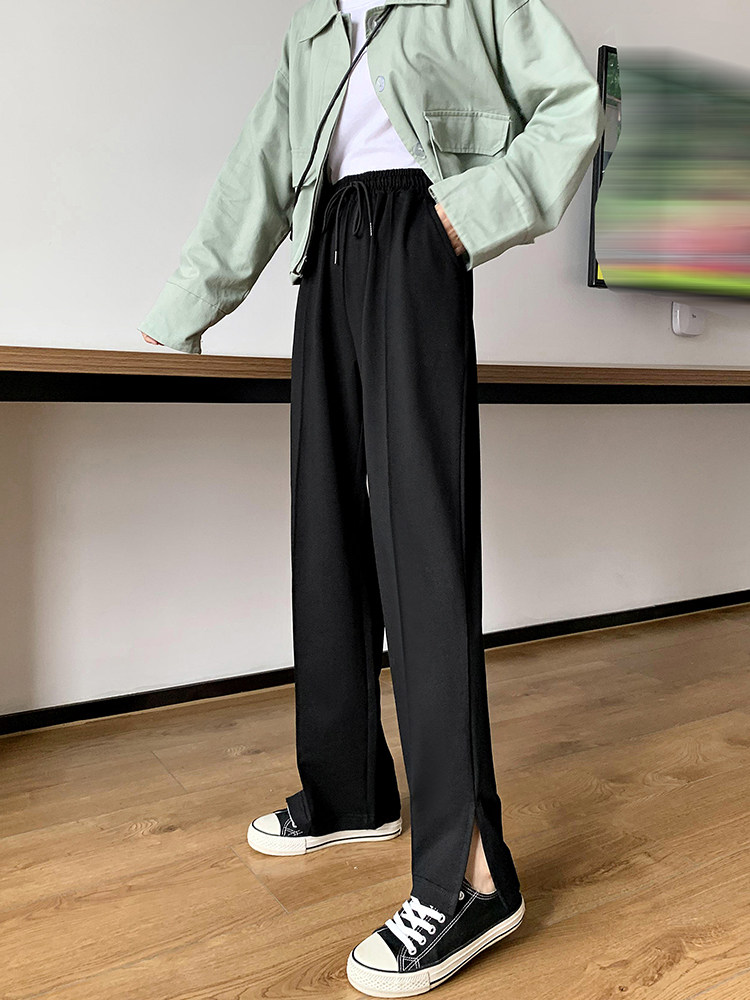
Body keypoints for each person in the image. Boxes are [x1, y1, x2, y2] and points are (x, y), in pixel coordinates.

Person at [138, 0, 604, 993]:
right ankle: (350, 789)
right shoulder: (313, 24)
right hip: (327, 252)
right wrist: (189, 299)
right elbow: (262, 165)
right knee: (326, 533)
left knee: (420, 543)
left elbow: (573, 103)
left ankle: (469, 872)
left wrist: (463, 215)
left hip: (416, 235)